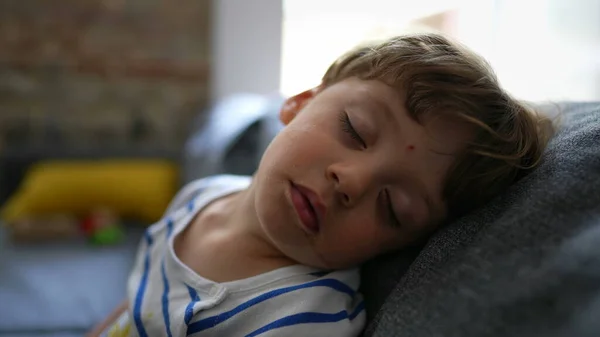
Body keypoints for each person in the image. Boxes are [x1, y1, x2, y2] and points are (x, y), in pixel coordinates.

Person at [88, 33, 555, 337]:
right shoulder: (203, 195)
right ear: (299, 102)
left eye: (392, 207)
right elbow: (134, 304)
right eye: (355, 129)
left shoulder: (301, 320)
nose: (351, 181)